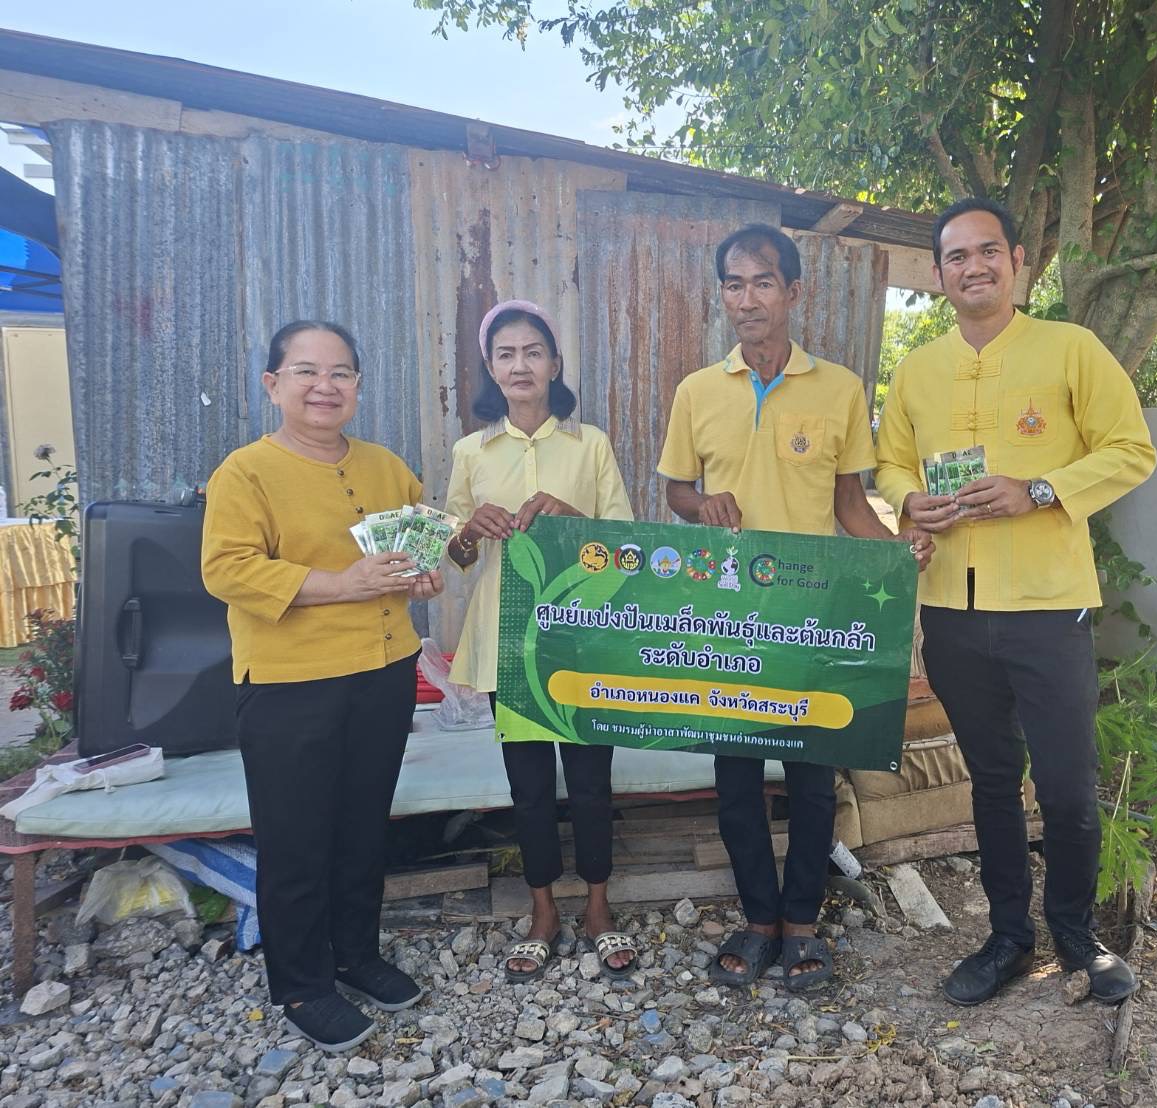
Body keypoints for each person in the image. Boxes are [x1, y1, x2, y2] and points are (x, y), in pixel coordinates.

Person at [875, 197, 1157, 1007]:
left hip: (1047, 605)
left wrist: (1038, 488)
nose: (974, 267)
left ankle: (1076, 937)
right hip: (954, 613)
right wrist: (909, 503)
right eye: (956, 256)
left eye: (987, 251)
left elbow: (1130, 450)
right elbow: (891, 465)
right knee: (992, 782)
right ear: (937, 275)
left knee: (1067, 785)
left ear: (1017, 260)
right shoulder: (917, 370)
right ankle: (1007, 937)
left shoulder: (1069, 349)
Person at [657, 223, 933, 991]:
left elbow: (849, 500)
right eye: (733, 284)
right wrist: (699, 503)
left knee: (813, 781)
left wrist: (891, 552)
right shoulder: (696, 391)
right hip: (727, 616)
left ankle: (804, 923)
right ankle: (757, 920)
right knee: (736, 776)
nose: (747, 299)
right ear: (723, 295)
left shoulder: (839, 389)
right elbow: (677, 489)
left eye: (762, 282)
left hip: (811, 616)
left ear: (792, 292)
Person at [202, 321, 444, 1053]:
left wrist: (425, 573)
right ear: (272, 384)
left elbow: (415, 549)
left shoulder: (385, 466)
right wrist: (339, 584)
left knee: (363, 823)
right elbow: (227, 569)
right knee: (297, 837)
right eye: (305, 371)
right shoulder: (245, 472)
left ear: (358, 387)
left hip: (384, 669)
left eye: (340, 373)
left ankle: (356, 954)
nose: (324, 387)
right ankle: (303, 983)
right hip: (290, 682)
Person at [443, 300, 638, 985]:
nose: (519, 365)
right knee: (528, 790)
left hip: (579, 641)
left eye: (532, 352)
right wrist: (467, 529)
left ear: (554, 366)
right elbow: (456, 558)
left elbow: (626, 547)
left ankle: (598, 908)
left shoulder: (590, 446)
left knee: (590, 784)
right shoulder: (472, 452)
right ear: (490, 370)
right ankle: (542, 911)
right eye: (505, 354)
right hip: (506, 643)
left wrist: (575, 518)